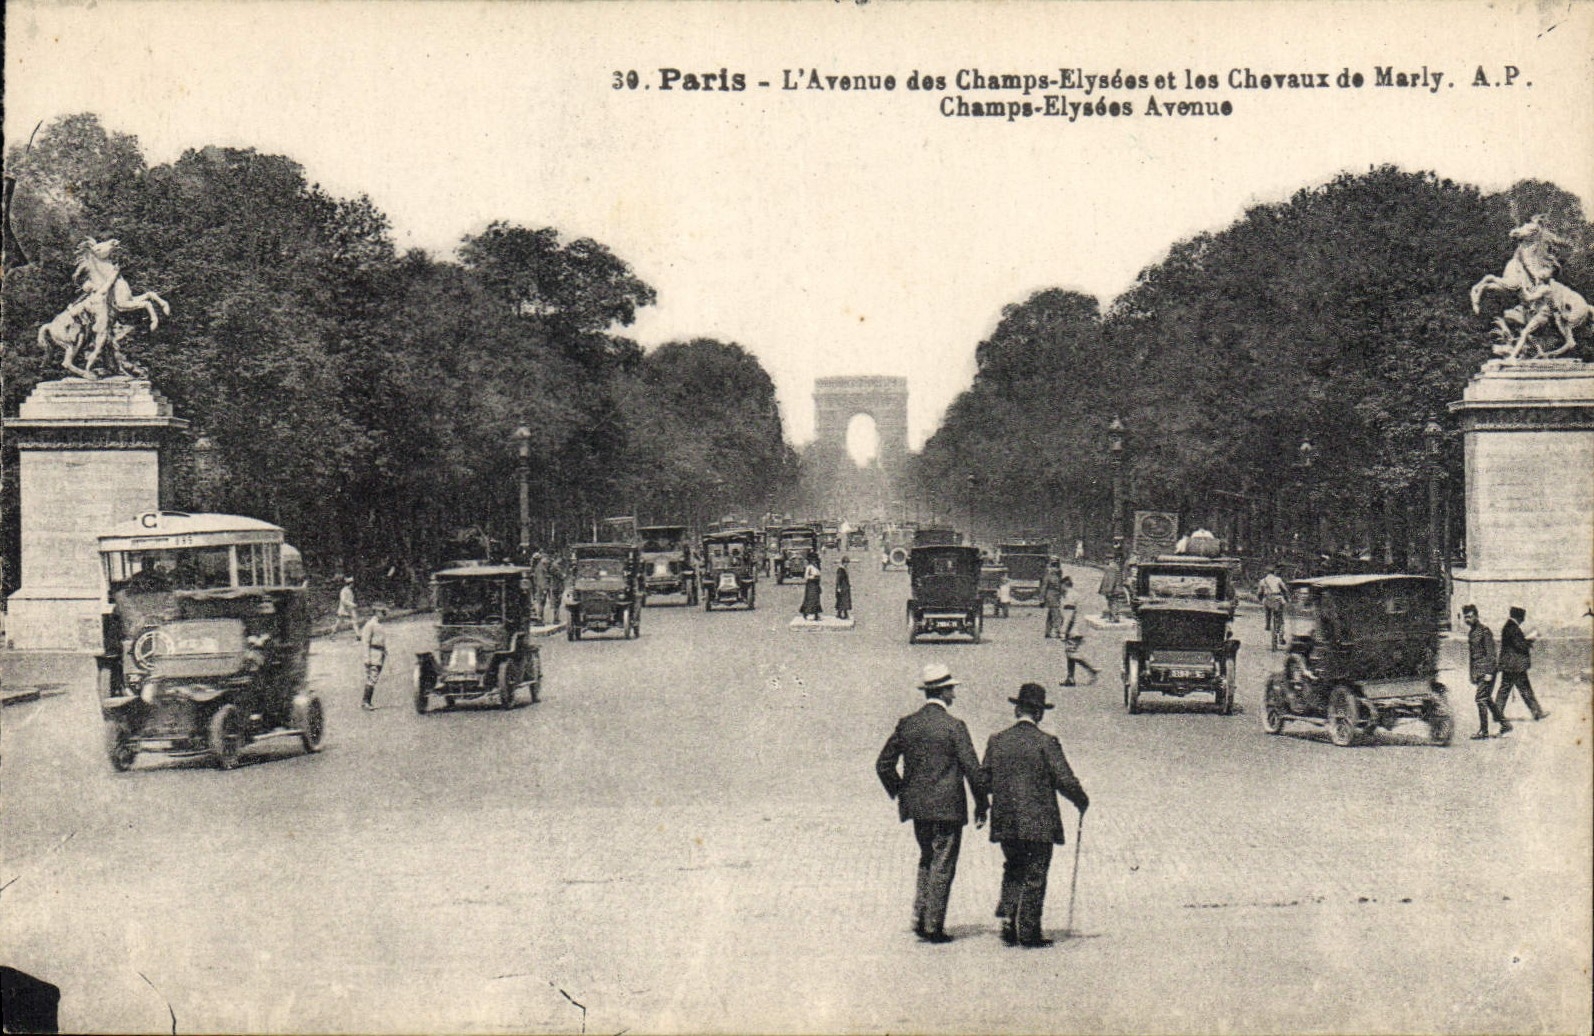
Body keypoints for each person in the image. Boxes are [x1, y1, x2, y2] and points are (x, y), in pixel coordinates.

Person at [875, 664, 988, 944]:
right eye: (951, 690)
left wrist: (902, 791)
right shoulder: (954, 726)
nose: (954, 695)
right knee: (943, 864)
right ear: (943, 691)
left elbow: (884, 764)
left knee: (927, 857)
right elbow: (973, 770)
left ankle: (919, 917)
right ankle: (933, 926)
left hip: (918, 808)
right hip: (948, 808)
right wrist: (982, 804)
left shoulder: (908, 724)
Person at [981, 682, 1089, 948]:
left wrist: (991, 800)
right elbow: (1064, 779)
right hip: (1039, 820)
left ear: (1017, 710)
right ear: (1039, 713)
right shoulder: (1046, 742)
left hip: (1006, 819)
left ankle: (1008, 920)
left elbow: (984, 780)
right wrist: (1081, 800)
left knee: (1013, 867)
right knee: (1035, 872)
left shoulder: (997, 740)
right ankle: (1028, 931)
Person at [1464, 604, 1510, 739]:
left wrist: (1489, 672)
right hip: (1479, 671)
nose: (1467, 620)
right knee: (1486, 699)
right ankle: (1505, 724)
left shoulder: (1485, 631)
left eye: (1470, 616)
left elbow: (1491, 654)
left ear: (1476, 616)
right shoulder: (1472, 632)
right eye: (1465, 617)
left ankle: (1484, 731)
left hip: (1487, 671)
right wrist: (1472, 674)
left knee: (1480, 699)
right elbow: (1472, 657)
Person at [1495, 606, 1548, 722]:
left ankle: (1497, 714)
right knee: (1524, 689)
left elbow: (1516, 643)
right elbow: (1520, 645)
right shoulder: (1513, 628)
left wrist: (1525, 640)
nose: (1523, 620)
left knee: (1505, 689)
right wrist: (1530, 640)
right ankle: (1537, 712)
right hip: (1515, 666)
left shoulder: (1508, 626)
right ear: (1519, 617)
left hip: (1510, 665)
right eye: (1522, 618)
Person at [1059, 578, 1099, 686]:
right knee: (1069, 651)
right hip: (1080, 626)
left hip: (1075, 628)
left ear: (1064, 585)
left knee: (1071, 652)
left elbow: (1069, 615)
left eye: (1060, 586)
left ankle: (1092, 669)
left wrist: (1063, 630)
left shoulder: (1070, 596)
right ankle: (1070, 678)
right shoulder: (1075, 594)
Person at [359, 605, 389, 711]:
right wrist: (366, 657)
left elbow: (381, 640)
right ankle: (365, 702)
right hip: (373, 654)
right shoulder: (370, 625)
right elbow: (365, 642)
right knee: (372, 677)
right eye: (382, 612)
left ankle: (367, 701)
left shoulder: (379, 625)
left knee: (374, 678)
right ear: (376, 612)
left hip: (380, 654)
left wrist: (385, 650)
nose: (383, 614)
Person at [1258, 567, 1288, 651]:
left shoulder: (1262, 581)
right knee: (1280, 619)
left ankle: (1268, 624)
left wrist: (1260, 599)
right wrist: (1286, 598)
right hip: (1277, 600)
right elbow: (1285, 590)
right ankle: (1281, 636)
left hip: (1268, 600)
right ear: (1274, 572)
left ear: (1266, 572)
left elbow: (1259, 593)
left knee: (1268, 612)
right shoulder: (1278, 579)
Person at [1041, 560, 1065, 639]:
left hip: (1055, 597)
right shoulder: (1049, 576)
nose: (1055, 569)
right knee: (1057, 615)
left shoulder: (1057, 575)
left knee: (1050, 615)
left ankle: (1048, 632)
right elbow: (1044, 587)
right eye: (1054, 567)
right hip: (1051, 597)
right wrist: (1042, 599)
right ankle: (1057, 632)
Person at [1098, 554, 1126, 623]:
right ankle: (1112, 617)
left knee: (1112, 603)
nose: (1105, 561)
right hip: (1116, 588)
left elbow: (1111, 580)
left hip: (1113, 589)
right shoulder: (1115, 566)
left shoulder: (1111, 567)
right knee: (1113, 602)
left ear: (1109, 559)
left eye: (1106, 559)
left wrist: (1109, 590)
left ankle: (1115, 618)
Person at [800, 550, 823, 621]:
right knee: (810, 599)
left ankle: (816, 615)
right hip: (810, 584)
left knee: (817, 600)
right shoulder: (809, 567)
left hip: (816, 584)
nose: (814, 561)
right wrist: (812, 577)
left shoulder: (816, 567)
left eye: (815, 560)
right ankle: (805, 613)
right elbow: (806, 576)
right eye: (813, 560)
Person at [834, 555, 853, 620]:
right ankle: (840, 614)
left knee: (845, 600)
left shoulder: (845, 569)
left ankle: (844, 613)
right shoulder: (840, 569)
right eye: (846, 563)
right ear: (843, 562)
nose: (847, 564)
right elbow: (838, 579)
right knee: (842, 600)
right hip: (842, 587)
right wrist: (838, 587)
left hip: (845, 587)